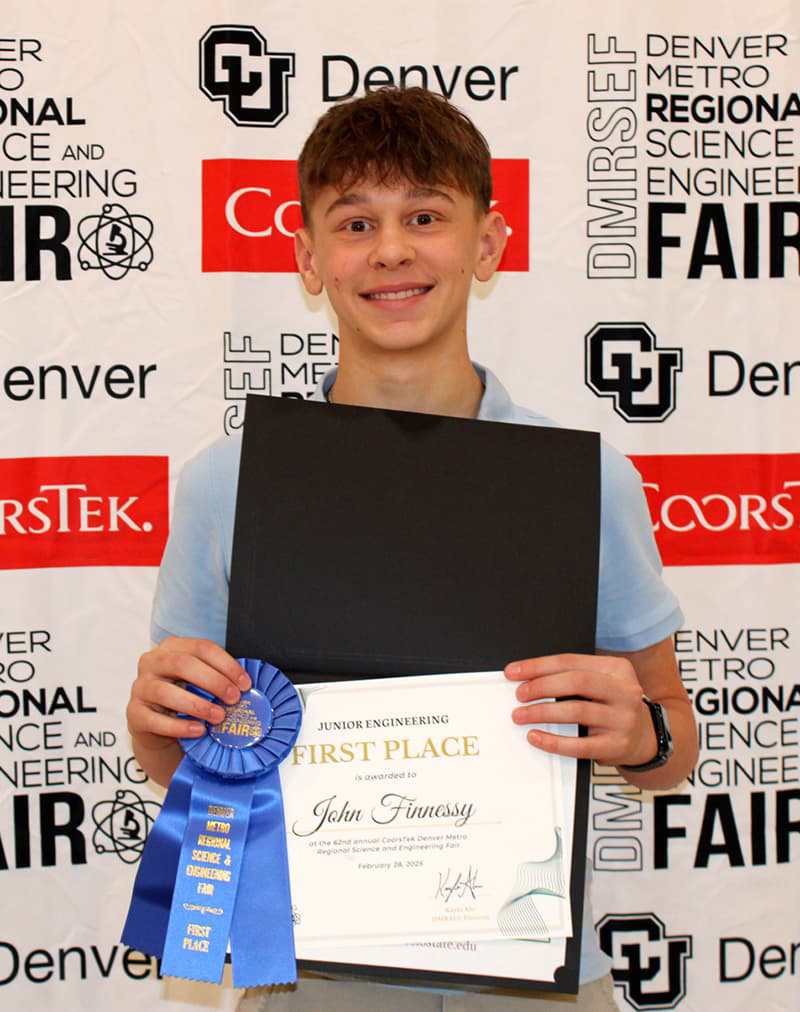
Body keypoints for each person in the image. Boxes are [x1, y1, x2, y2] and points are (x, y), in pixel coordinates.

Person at [127, 87, 698, 1010]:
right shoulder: (225, 484)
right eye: (356, 224)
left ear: (489, 243)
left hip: (531, 971)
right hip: (315, 969)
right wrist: (159, 717)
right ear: (309, 259)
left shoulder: (585, 480)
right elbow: (188, 762)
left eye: (425, 216)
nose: (391, 250)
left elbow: (670, 742)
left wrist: (641, 733)